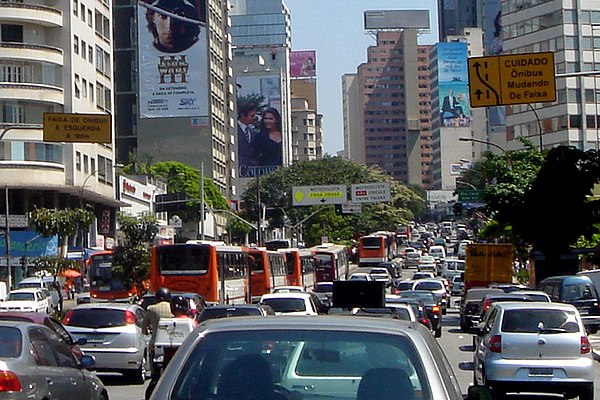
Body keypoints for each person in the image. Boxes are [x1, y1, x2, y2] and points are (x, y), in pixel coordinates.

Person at [142, 286, 174, 395]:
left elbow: (143, 327)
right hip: (171, 342)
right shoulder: (173, 308)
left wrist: (147, 332)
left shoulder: (151, 309)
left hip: (155, 342)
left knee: (154, 373)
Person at [237, 101, 260, 172]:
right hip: (237, 169)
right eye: (251, 116)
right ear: (243, 115)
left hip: (250, 170)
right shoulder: (233, 130)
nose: (254, 118)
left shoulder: (252, 132)